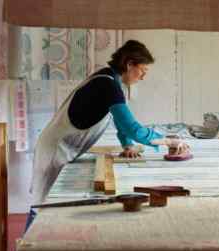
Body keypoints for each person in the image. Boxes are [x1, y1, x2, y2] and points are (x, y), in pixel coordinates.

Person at [26, 40, 187, 229]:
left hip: (61, 146)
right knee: (42, 207)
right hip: (54, 150)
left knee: (48, 206)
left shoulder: (109, 80)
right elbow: (132, 128)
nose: (142, 77)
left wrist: (127, 145)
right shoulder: (107, 85)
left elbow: (121, 122)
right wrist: (169, 141)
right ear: (129, 64)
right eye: (142, 70)